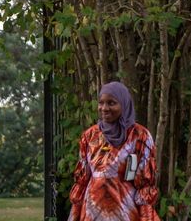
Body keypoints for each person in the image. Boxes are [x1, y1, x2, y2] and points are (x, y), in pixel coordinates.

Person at [68, 81, 161, 221]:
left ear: (124, 104)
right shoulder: (90, 136)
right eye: (101, 103)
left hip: (126, 212)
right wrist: (75, 214)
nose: (104, 108)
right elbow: (82, 180)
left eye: (111, 103)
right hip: (92, 212)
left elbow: (145, 185)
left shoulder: (139, 136)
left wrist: (146, 217)